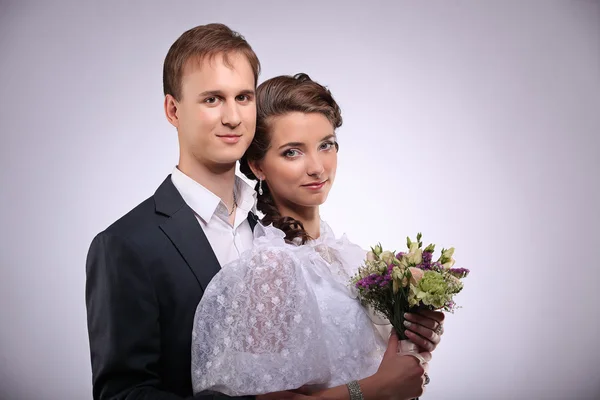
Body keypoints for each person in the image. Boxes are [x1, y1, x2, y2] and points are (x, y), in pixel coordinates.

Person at [85, 22, 442, 400]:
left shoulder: (283, 230)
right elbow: (124, 395)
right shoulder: (126, 245)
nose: (233, 118)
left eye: (243, 97)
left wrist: (407, 333)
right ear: (173, 110)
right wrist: (367, 391)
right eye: (212, 99)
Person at [190, 73, 445, 400]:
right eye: (292, 152)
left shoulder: (352, 257)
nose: (317, 168)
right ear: (257, 166)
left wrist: (415, 338)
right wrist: (375, 389)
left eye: (326, 145)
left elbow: (385, 364)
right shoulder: (271, 267)